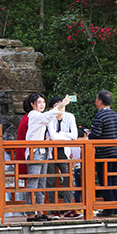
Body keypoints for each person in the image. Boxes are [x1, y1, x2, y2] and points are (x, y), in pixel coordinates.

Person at [25, 93, 68, 221]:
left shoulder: (40, 116)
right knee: (33, 182)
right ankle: (30, 213)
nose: (42, 105)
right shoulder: (34, 115)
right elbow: (48, 117)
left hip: (42, 151)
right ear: (32, 104)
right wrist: (61, 105)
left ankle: (39, 211)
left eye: (43, 102)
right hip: (35, 152)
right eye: (39, 102)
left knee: (41, 183)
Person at [89, 90, 117, 217]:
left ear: (100, 101)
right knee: (113, 179)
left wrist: (89, 135)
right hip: (115, 152)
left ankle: (109, 208)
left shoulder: (100, 116)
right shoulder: (115, 115)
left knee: (105, 180)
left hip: (103, 153)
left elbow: (96, 134)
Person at [46, 95, 81, 219]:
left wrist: (59, 134)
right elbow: (53, 137)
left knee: (67, 178)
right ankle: (54, 209)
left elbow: (75, 136)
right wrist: (65, 136)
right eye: (58, 106)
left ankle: (68, 208)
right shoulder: (49, 117)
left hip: (64, 152)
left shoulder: (70, 117)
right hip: (50, 152)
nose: (61, 108)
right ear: (52, 108)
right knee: (51, 180)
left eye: (63, 105)